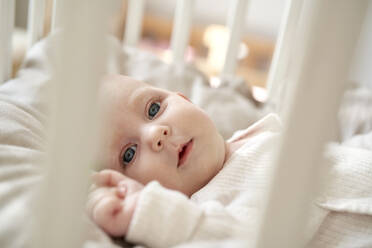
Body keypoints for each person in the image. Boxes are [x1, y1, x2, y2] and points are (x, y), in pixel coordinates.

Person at [87, 74, 372, 248]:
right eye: (129, 153)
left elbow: (336, 156)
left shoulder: (258, 135)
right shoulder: (205, 210)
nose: (156, 134)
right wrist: (145, 209)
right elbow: (237, 240)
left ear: (184, 99)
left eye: (153, 109)